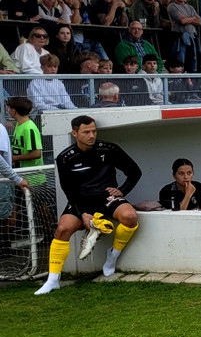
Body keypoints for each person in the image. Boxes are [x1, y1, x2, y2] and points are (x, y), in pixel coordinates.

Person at [36, 115, 143, 294]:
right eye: (86, 132)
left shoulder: (109, 149)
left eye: (94, 131)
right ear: (75, 133)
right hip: (81, 200)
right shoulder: (65, 158)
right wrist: (83, 213)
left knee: (130, 217)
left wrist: (122, 190)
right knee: (62, 230)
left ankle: (113, 255)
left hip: (106, 198)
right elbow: (68, 190)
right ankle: (53, 279)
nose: (91, 135)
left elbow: (135, 172)